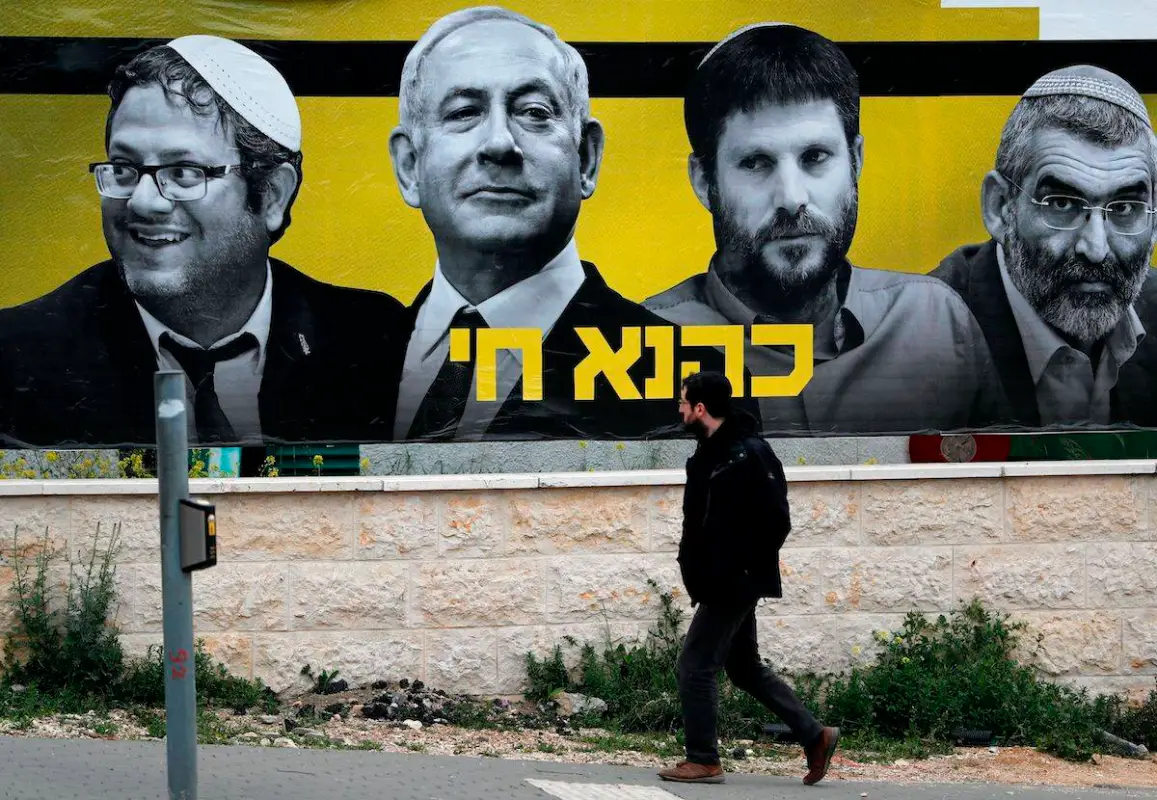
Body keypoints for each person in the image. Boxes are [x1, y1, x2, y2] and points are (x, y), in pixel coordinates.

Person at [0, 35, 409, 450]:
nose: (143, 201)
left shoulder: (373, 342)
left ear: (271, 194)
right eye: (123, 168)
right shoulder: (17, 358)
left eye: (184, 172)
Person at [388, 5, 739, 442]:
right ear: (409, 167)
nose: (499, 143)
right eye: (463, 112)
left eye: (534, 112)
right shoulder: (336, 359)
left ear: (587, 158)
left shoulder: (693, 378)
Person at [643, 23, 1009, 436]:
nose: (792, 197)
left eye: (815, 156)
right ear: (703, 181)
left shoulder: (937, 322)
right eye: (755, 162)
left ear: (855, 160)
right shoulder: (640, 345)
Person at [931, 65, 1157, 428]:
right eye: (1062, 205)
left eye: (1125, 208)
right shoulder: (924, 338)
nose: (1096, 248)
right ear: (1000, 207)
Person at [658, 370, 838, 786]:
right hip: (719, 579)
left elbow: (778, 521)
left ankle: (703, 759)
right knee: (742, 667)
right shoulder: (709, 454)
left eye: (683, 402)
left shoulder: (750, 453)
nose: (680, 409)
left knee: (695, 666)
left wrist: (738, 568)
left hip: (733, 581)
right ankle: (815, 736)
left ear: (700, 408)